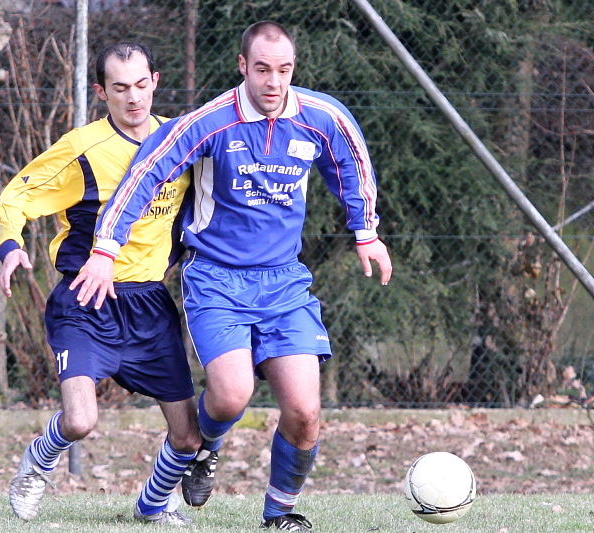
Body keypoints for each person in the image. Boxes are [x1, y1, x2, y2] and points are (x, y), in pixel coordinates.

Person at [71, 21, 393, 531]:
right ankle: (205, 449)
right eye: (262, 69)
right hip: (216, 279)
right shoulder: (212, 121)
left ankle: (279, 514)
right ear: (243, 66)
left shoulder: (322, 117)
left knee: (305, 413)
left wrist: (366, 231)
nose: (274, 82)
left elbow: (351, 160)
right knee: (229, 396)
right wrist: (106, 247)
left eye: (284, 70)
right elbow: (147, 170)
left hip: (284, 282)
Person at [0, 42, 201, 525]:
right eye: (120, 87)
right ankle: (37, 462)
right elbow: (17, 195)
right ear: (101, 92)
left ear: (155, 82)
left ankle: (152, 504)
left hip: (149, 304)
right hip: (86, 301)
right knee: (81, 420)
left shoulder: (181, 142)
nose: (134, 97)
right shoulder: (83, 148)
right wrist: (10, 245)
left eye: (142, 85)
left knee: (189, 437)